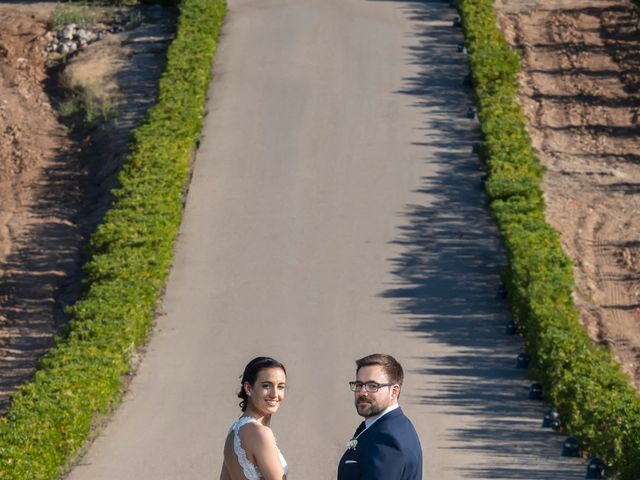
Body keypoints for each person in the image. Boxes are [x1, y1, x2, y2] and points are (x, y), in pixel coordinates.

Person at [337, 353, 423, 480]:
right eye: (359, 385)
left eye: (373, 386)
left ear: (394, 391)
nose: (362, 392)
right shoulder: (391, 425)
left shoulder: (387, 441)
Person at [220, 356, 288, 480]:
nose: (274, 394)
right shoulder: (261, 434)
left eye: (280, 387)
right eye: (266, 386)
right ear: (248, 388)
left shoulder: (233, 432)